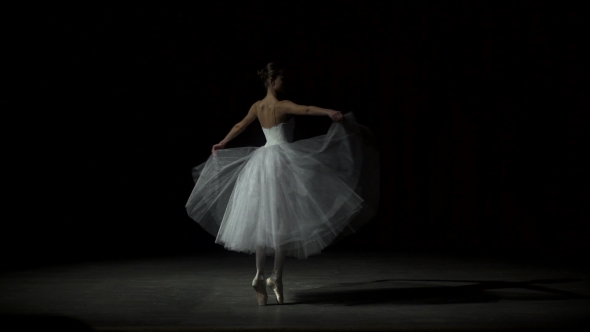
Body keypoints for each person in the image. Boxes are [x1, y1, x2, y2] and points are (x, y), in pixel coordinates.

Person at [186, 62, 379, 306]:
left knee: (262, 222)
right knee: (282, 224)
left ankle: (258, 274)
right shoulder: (282, 105)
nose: (284, 83)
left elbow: (240, 125)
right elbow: (307, 109)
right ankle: (276, 277)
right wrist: (329, 111)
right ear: (271, 81)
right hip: (282, 162)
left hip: (261, 163)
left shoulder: (258, 106)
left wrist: (223, 142)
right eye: (281, 79)